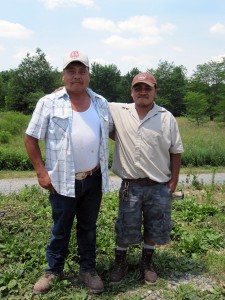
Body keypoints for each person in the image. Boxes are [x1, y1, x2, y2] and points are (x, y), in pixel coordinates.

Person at [24, 50, 113, 295]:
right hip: (62, 181)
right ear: (63, 76)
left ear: (88, 75)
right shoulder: (49, 102)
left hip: (93, 179)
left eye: (82, 71)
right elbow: (30, 137)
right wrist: (42, 172)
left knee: (88, 227)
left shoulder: (101, 103)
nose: (77, 76)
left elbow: (115, 130)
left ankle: (87, 269)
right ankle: (53, 270)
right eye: (71, 71)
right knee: (60, 228)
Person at [108, 72, 184, 285]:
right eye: (138, 88)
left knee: (154, 227)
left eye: (147, 88)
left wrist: (173, 182)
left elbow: (176, 150)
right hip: (130, 186)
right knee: (124, 226)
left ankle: (146, 263)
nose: (143, 92)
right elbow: (92, 98)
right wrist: (66, 91)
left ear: (154, 91)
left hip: (159, 186)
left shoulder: (166, 117)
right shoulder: (119, 111)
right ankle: (120, 263)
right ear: (131, 92)